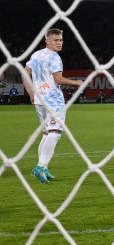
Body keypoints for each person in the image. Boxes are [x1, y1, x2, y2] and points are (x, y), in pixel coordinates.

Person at [21, 28, 83, 183]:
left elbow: (24, 73)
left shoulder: (36, 55)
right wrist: (77, 83)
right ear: (47, 40)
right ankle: (40, 167)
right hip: (53, 100)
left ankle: (44, 168)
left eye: (61, 40)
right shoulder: (54, 57)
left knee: (46, 134)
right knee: (55, 133)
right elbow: (59, 80)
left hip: (39, 100)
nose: (59, 43)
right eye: (56, 40)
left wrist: (31, 93)